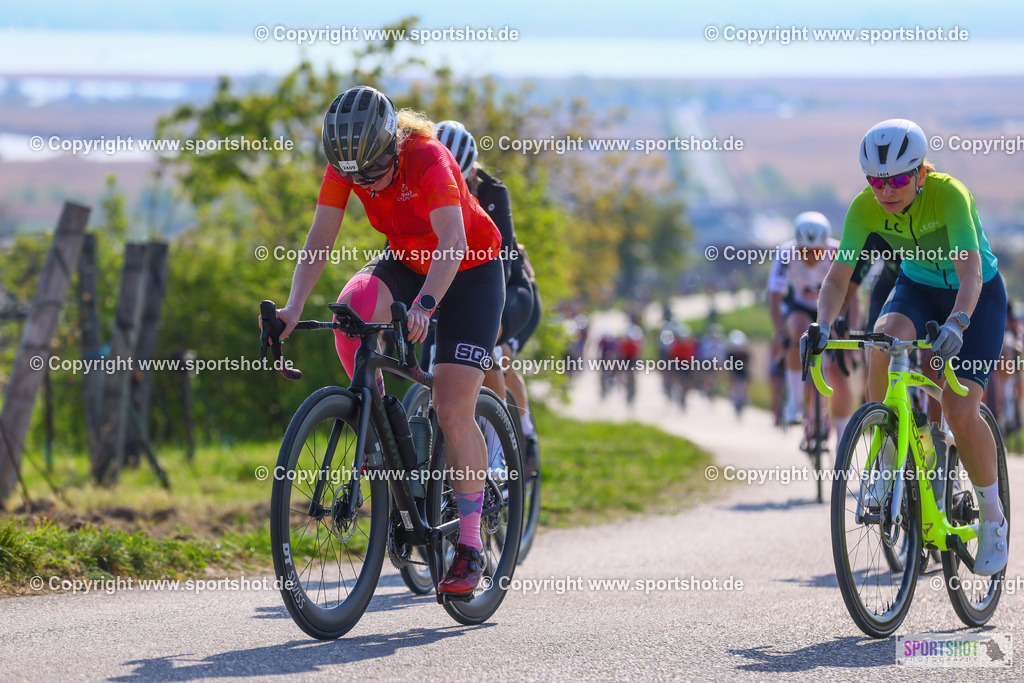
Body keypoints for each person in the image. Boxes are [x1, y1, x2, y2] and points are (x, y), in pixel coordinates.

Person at [274, 86, 504, 596]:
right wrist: (292, 307)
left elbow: (453, 242)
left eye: (374, 173)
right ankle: (378, 418)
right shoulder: (348, 162)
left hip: (470, 270)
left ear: (390, 145)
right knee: (352, 308)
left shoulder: (425, 155)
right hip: (405, 257)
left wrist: (424, 306)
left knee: (451, 409)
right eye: (355, 177)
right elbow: (320, 239)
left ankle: (468, 544)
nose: (366, 184)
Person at [810, 118, 1008, 575]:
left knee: (960, 409)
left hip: (975, 294)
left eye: (899, 179)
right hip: (917, 286)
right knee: (881, 341)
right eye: (877, 180)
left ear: (921, 173)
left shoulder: (949, 194)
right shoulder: (864, 208)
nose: (886, 190)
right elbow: (839, 277)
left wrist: (959, 322)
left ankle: (993, 516)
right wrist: (822, 325)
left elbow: (970, 273)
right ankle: (886, 453)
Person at [435, 120, 543, 475]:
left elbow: (506, 260)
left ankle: (514, 441)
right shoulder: (424, 180)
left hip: (512, 288)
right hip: (459, 286)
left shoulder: (492, 191)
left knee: (493, 351)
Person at [766, 212, 854, 439]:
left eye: (816, 250)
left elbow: (854, 296)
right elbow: (774, 298)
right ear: (796, 245)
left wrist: (848, 328)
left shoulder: (838, 252)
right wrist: (780, 333)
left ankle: (843, 439)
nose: (811, 255)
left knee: (839, 371)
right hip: (800, 307)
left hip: (834, 307)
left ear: (826, 245)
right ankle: (795, 402)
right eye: (804, 250)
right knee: (796, 331)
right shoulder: (786, 254)